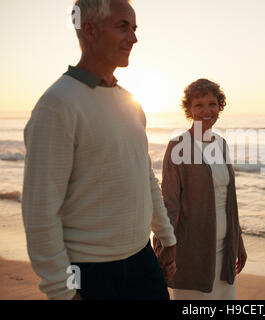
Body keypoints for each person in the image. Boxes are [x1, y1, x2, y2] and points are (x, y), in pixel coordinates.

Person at [21, 0, 176, 300]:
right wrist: (62, 290)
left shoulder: (131, 103)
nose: (133, 38)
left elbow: (145, 178)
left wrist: (166, 236)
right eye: (122, 27)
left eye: (134, 28)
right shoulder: (57, 105)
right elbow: (40, 211)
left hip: (143, 260)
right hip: (89, 271)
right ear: (89, 30)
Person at [153, 79, 247, 299]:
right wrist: (163, 248)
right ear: (189, 110)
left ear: (219, 107)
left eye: (212, 104)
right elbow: (169, 203)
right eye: (199, 105)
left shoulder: (221, 144)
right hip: (192, 252)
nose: (207, 110)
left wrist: (238, 241)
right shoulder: (179, 146)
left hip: (226, 251)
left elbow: (228, 200)